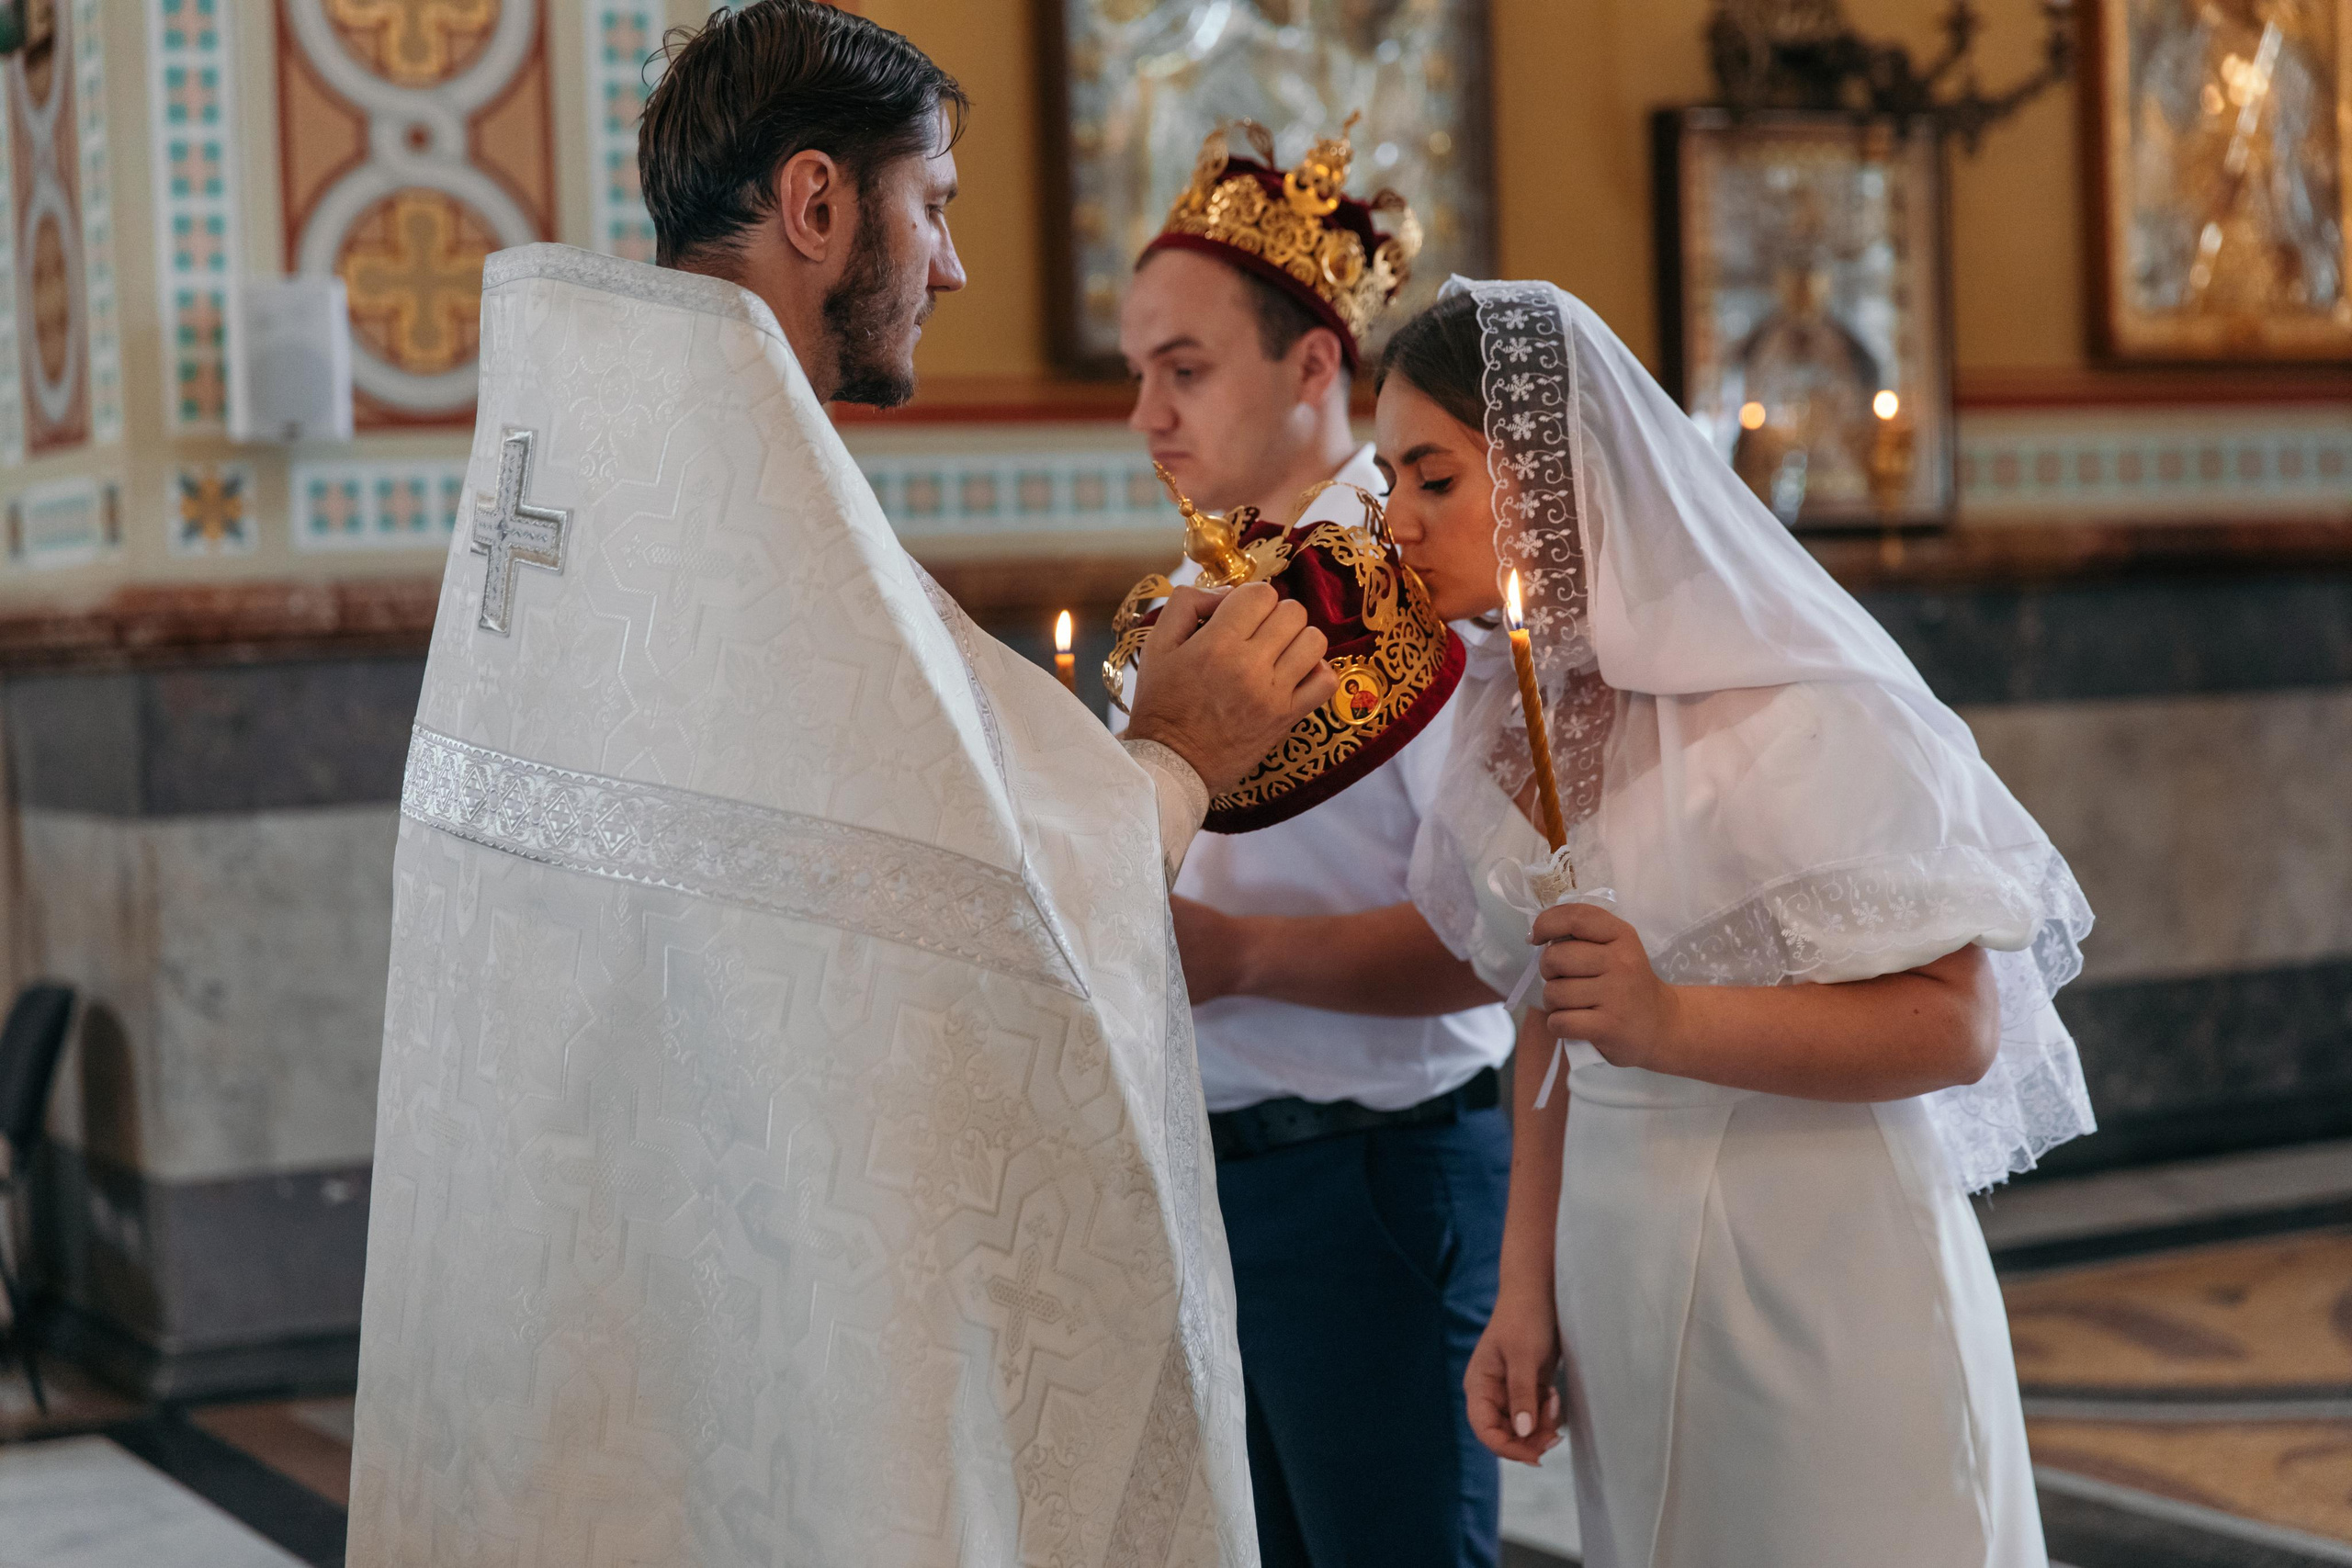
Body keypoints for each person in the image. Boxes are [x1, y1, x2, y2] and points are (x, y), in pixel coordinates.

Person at [344, 6, 1336, 1564]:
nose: (950, 264)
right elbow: (977, 898)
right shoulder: (743, 505)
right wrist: (1180, 762)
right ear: (818, 203)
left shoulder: (594, 462)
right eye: (932, 202)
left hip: (595, 1266)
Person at [1373, 281, 2097, 1567]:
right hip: (1612, 1254)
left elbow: (1953, 1024)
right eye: (1389, 484)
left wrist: (1670, 1018)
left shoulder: (1790, 702)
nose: (1397, 526)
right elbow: (1550, 1023)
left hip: (1816, 1263)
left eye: (1434, 480)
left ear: (1556, 471)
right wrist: (1522, 1288)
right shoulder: (1505, 715)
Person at [1118, 124, 1517, 1568]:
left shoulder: (1420, 576)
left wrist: (1240, 959)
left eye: (1186, 366)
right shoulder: (1195, 579)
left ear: (1310, 366)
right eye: (1137, 372)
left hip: (1378, 1181)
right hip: (1210, 1171)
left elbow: (1503, 938)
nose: (1149, 413)